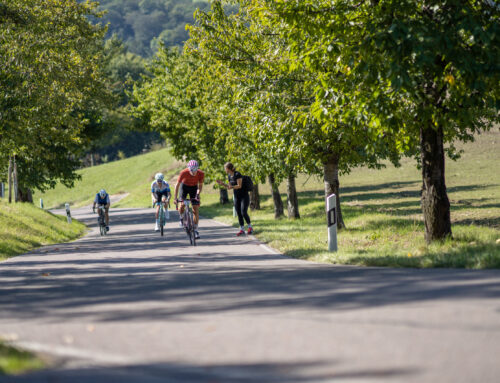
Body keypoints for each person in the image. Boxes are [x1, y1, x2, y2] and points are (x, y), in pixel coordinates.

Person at [217, 162, 253, 236]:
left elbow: (239, 186)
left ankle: (250, 227)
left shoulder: (237, 174)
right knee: (239, 213)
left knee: (243, 212)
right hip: (237, 196)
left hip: (244, 196)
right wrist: (223, 184)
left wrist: (232, 187)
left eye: (225, 168)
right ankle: (242, 229)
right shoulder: (229, 176)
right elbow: (229, 187)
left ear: (228, 168)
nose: (225, 170)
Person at [174, 160, 204, 239]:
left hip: (194, 188)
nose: (193, 173)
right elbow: (177, 186)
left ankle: (196, 230)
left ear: (197, 169)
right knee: (181, 206)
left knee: (195, 209)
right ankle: (181, 217)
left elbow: (200, 186)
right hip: (184, 187)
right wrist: (175, 198)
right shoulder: (183, 172)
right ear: (188, 169)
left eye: (195, 171)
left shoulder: (201, 173)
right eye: (191, 171)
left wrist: (198, 193)